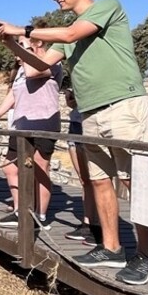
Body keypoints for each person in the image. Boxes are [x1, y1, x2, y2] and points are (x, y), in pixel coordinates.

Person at [0, 0, 148, 285]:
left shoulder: (107, 6)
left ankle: (147, 254)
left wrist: (23, 29)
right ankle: (111, 247)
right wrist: (11, 43)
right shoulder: (66, 31)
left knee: (133, 181)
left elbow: (70, 35)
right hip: (89, 111)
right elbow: (39, 66)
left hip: (122, 104)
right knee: (99, 181)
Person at [0, 30, 63, 229]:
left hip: (43, 124)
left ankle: (39, 215)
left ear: (38, 44)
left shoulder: (51, 63)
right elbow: (13, 96)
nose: (17, 50)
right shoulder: (21, 69)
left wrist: (23, 54)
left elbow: (34, 72)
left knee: (40, 169)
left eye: (22, 45)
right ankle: (19, 210)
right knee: (10, 167)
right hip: (21, 127)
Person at [62, 86, 95, 242]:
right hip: (75, 125)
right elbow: (71, 104)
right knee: (84, 180)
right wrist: (71, 97)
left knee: (98, 179)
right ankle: (88, 224)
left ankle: (98, 226)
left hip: (90, 125)